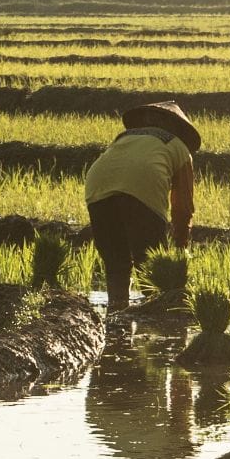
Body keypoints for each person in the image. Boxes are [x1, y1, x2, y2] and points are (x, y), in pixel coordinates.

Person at [83, 100, 198, 309]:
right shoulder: (180, 148)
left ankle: (117, 320)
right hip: (142, 186)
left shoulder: (125, 137)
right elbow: (183, 207)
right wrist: (180, 251)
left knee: (116, 264)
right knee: (151, 267)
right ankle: (160, 326)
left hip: (96, 186)